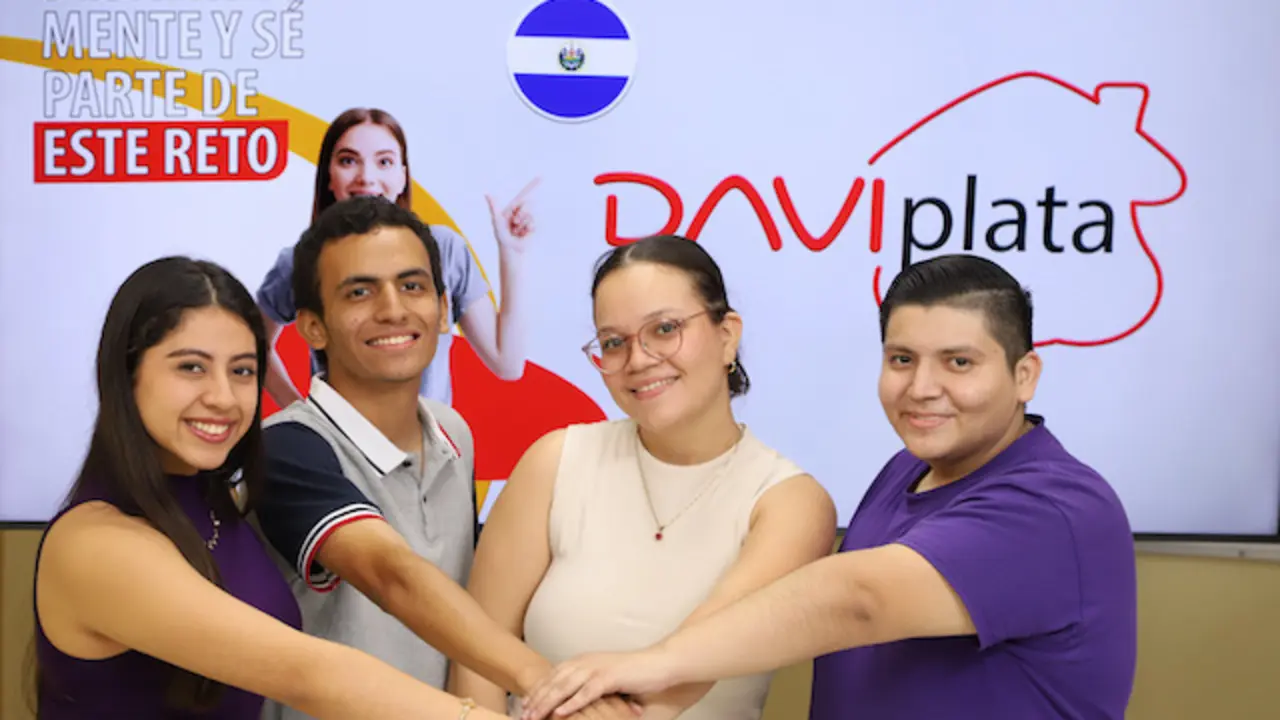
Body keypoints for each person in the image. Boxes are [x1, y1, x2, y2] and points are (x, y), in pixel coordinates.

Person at [517, 254, 1139, 720]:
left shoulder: (1056, 507)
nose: (922, 387)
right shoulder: (906, 471)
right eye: (901, 359)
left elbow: (858, 599)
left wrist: (646, 665)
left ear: (1024, 374)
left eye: (959, 362)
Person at [30, 256, 506, 719]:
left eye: (241, 371)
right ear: (126, 373)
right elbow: (309, 674)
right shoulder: (97, 544)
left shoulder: (216, 501)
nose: (222, 398)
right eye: (191, 367)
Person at [254, 196, 639, 720]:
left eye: (412, 286)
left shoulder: (452, 432)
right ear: (312, 327)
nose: (393, 308)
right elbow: (392, 574)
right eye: (360, 292)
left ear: (443, 310)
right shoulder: (286, 447)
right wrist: (546, 685)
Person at [450, 235, 838, 719]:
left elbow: (686, 668)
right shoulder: (556, 462)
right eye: (614, 342)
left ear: (727, 335)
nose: (638, 360)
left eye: (665, 329)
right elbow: (476, 655)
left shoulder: (788, 500)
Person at [256, 106, 535, 408]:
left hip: (428, 451)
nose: (366, 177)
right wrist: (301, 411)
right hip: (338, 451)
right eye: (348, 161)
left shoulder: (443, 250)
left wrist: (512, 253)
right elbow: (253, 343)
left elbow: (507, 364)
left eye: (384, 161)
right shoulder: (302, 261)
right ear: (329, 177)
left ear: (403, 176)